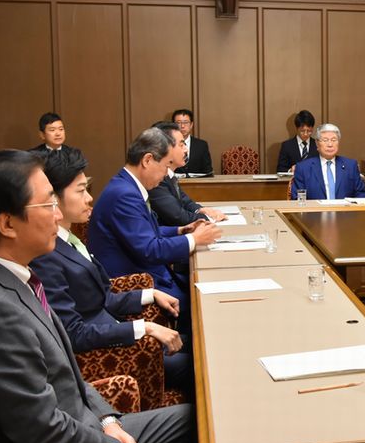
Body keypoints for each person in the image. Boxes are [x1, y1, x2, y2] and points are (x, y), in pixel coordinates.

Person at [0, 149, 197, 443]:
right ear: (7, 223)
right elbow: (39, 428)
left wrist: (107, 419)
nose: (57, 215)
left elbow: (71, 375)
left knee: (202, 419)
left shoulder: (22, 276)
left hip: (89, 424)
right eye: (47, 204)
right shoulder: (3, 309)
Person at [29, 148, 192, 391]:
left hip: (118, 331)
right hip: (110, 356)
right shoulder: (46, 255)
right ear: (54, 197)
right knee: (200, 364)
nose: (89, 198)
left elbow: (102, 297)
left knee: (200, 342)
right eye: (81, 191)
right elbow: (73, 333)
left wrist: (150, 294)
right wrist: (143, 328)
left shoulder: (68, 239)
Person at [88, 128, 221, 322]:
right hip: (135, 285)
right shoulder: (124, 194)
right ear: (147, 160)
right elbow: (150, 249)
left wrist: (180, 230)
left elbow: (146, 232)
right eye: (166, 165)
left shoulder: (127, 185)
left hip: (149, 274)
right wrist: (194, 239)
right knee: (208, 304)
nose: (166, 173)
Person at [149, 122, 226, 227]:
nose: (186, 149)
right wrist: (210, 218)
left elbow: (184, 200)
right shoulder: (155, 178)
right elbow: (178, 217)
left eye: (185, 144)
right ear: (163, 148)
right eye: (181, 145)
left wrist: (200, 210)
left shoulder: (169, 174)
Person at [291, 123, 365, 200]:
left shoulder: (350, 166)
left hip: (344, 207)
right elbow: (297, 198)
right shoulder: (303, 168)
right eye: (325, 140)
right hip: (315, 208)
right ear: (317, 143)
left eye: (334, 140)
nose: (330, 144)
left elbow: (362, 194)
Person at [171, 109, 213, 177]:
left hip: (197, 183)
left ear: (191, 125)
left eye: (186, 122)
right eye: (178, 123)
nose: (182, 126)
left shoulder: (202, 145)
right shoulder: (168, 144)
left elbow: (208, 171)